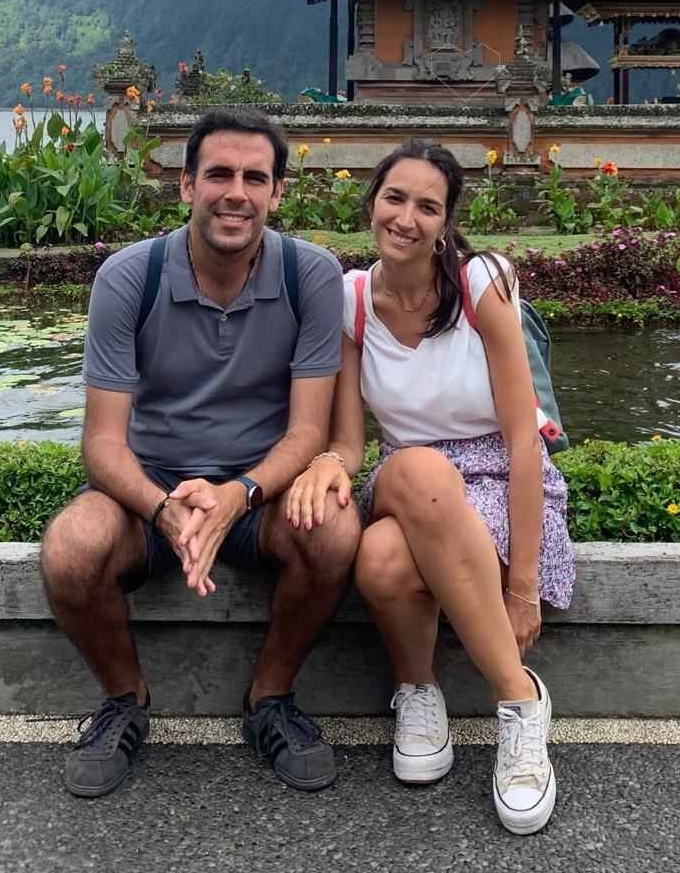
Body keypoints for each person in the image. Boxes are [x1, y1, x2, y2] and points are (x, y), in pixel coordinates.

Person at [40, 109, 358, 798]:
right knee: (71, 548)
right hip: (150, 490)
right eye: (218, 174)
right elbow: (102, 443)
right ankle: (124, 701)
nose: (235, 193)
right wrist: (163, 510)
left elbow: (307, 434)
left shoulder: (310, 275)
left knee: (335, 532)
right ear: (186, 185)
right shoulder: (130, 277)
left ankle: (269, 698)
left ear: (277, 193)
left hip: (259, 494)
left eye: (255, 178)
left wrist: (238, 496)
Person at [285, 138, 574, 837]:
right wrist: (326, 462)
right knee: (418, 467)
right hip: (408, 476)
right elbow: (351, 442)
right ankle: (517, 694)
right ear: (372, 203)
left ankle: (428, 690)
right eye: (394, 198)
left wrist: (521, 587)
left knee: (383, 557)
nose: (406, 218)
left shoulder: (483, 284)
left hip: (499, 474)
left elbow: (523, 438)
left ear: (446, 222)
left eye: (427, 206)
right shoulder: (352, 299)